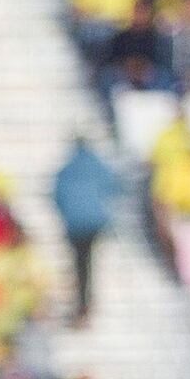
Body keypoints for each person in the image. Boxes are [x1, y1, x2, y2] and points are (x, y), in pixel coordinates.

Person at [52, 136, 122, 325]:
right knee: (87, 263)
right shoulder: (97, 165)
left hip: (75, 224)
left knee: (80, 264)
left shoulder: (68, 169)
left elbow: (57, 195)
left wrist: (67, 214)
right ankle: (85, 304)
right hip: (94, 222)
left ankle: (82, 304)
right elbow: (114, 186)